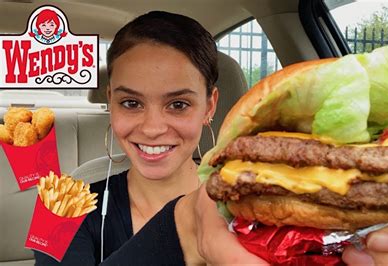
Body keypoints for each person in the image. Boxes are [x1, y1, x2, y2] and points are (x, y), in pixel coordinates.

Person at [34, 10, 265, 265]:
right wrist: (184, 228)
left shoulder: (258, 203)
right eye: (131, 103)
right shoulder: (55, 209)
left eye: (178, 105)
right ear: (111, 100)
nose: (152, 128)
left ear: (209, 106)